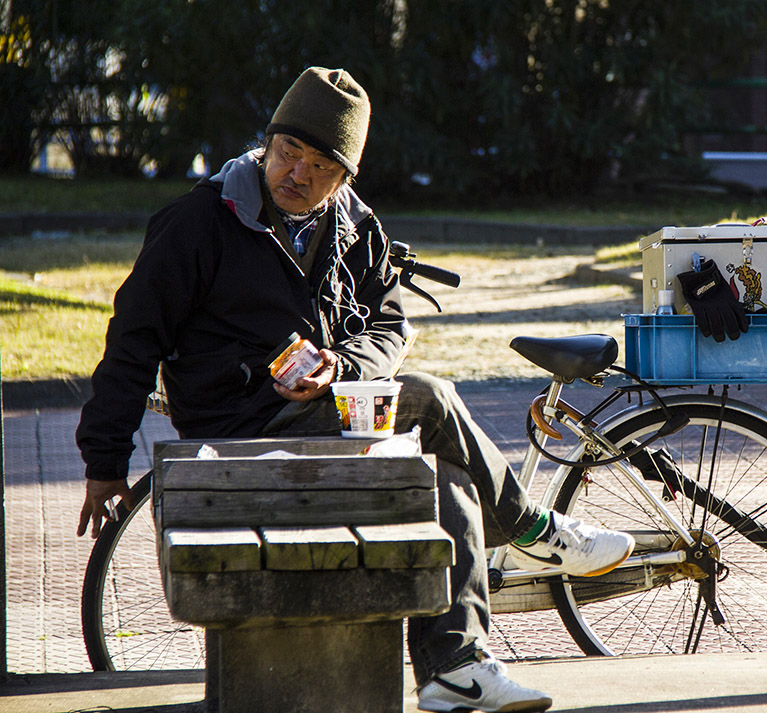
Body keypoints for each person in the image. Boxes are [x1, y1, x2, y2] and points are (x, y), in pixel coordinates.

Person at [75, 67, 634, 713]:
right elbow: (133, 340)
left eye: (320, 165)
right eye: (288, 153)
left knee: (448, 471)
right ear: (267, 142)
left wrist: (339, 366)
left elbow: (393, 322)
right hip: (239, 437)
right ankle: (530, 525)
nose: (298, 174)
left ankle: (456, 665)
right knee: (426, 395)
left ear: (344, 177)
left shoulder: (352, 222)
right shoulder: (199, 220)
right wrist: (104, 460)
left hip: (331, 419)